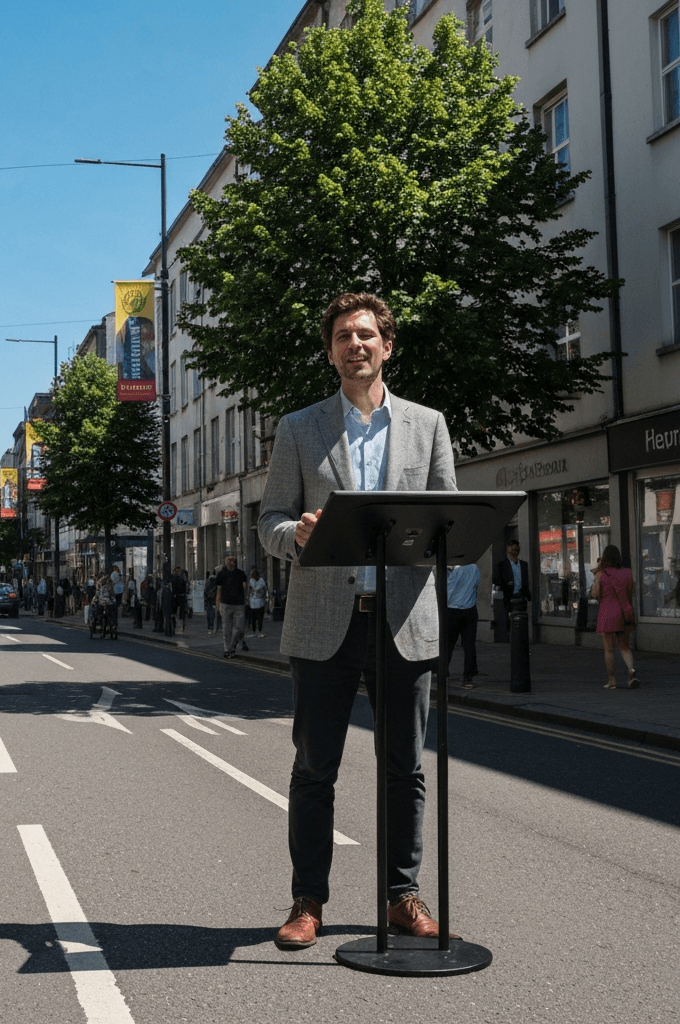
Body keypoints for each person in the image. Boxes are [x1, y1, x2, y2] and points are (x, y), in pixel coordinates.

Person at [259, 291, 457, 949]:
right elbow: (269, 522)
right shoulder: (299, 428)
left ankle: (403, 896)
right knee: (315, 768)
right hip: (324, 622)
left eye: (366, 334)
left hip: (404, 620)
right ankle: (307, 901)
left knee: (406, 768)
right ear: (330, 352)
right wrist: (296, 535)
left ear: (387, 346)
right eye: (343, 336)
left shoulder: (428, 425)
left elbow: (448, 517)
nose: (355, 344)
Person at [591, 545, 638, 689]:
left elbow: (595, 594)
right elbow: (631, 592)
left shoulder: (601, 574)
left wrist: (596, 578)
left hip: (608, 613)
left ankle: (612, 680)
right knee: (625, 646)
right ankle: (631, 672)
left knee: (609, 649)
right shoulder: (627, 573)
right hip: (625, 612)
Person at [446, 562, 481, 687]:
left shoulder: (451, 567)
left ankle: (443, 673)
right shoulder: (474, 567)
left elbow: (444, 588)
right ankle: (468, 678)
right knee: (469, 645)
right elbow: (476, 586)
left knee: (447, 645)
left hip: (451, 609)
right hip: (470, 609)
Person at [215, 556, 248, 658]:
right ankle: (227, 650)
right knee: (227, 629)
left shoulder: (241, 573)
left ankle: (231, 647)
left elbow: (245, 587)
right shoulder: (221, 574)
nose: (231, 563)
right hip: (225, 604)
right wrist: (218, 603)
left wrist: (246, 599)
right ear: (226, 563)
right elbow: (219, 590)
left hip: (239, 604)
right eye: (229, 562)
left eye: (233, 562)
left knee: (240, 628)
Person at [496, 538, 531, 633]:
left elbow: (526, 581)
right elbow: (498, 581)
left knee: (522, 622)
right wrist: (506, 584)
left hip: (521, 597)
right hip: (509, 598)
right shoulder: (502, 565)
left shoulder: (524, 565)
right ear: (508, 549)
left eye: (517, 550)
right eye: (513, 550)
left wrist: (528, 597)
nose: (515, 553)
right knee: (510, 624)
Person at [248, 567, 268, 637]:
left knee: (253, 619)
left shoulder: (250, 581)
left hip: (252, 603)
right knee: (260, 618)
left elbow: (249, 591)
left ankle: (254, 630)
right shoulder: (262, 582)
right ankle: (259, 630)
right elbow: (264, 592)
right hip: (260, 602)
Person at [204, 568, 221, 634]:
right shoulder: (218, 581)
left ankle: (210, 628)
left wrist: (205, 601)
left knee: (210, 615)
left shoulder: (208, 582)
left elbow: (205, 591)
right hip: (215, 600)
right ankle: (217, 628)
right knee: (217, 615)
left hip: (209, 600)